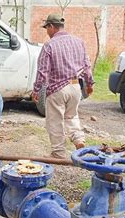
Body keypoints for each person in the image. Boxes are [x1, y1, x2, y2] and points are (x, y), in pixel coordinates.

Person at [32, 14, 94, 159]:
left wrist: (36, 90)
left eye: (47, 28)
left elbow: (43, 71)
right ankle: (78, 139)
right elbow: (87, 66)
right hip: (75, 87)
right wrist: (89, 84)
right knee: (71, 116)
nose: (47, 32)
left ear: (51, 27)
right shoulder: (79, 42)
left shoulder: (49, 45)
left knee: (55, 121)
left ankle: (58, 153)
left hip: (57, 90)